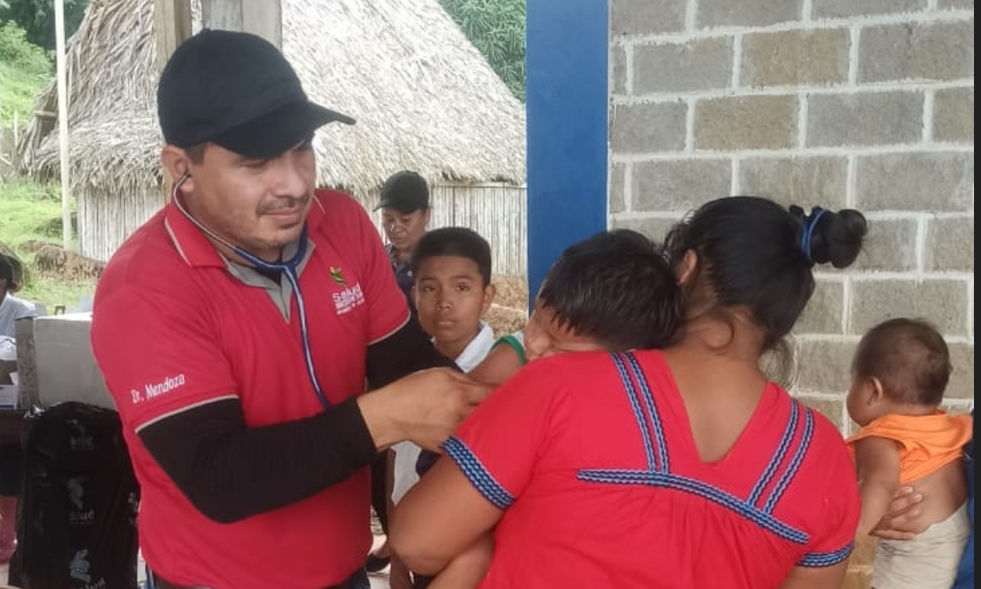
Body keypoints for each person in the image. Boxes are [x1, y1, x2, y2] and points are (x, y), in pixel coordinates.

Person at [89, 29, 489, 589]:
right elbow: (219, 477)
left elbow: (404, 361)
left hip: (343, 570)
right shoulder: (145, 288)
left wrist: (513, 396)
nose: (295, 184)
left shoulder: (343, 225)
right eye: (256, 164)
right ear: (182, 165)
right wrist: (387, 416)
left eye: (301, 148)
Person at [391, 197, 869, 589]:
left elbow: (417, 540)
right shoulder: (824, 460)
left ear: (685, 269)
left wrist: (486, 544)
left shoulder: (560, 387)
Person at [417, 228, 684, 589]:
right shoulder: (517, 385)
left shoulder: (638, 442)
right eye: (536, 319)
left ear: (624, 361)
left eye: (559, 344)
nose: (535, 344)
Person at [387, 227, 498, 589]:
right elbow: (397, 461)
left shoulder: (502, 381)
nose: (444, 302)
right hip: (415, 546)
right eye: (429, 288)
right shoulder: (408, 371)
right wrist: (397, 551)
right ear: (413, 294)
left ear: (487, 296)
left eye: (462, 287)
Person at [845, 318, 972, 589]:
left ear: (872, 390)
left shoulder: (881, 437)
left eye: (852, 382)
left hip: (915, 551)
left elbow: (878, 484)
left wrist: (843, 539)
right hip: (955, 542)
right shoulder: (945, 427)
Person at [0, 254, 36, 563]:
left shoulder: (21, 312)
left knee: (9, 456)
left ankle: (10, 534)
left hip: (13, 403)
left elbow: (22, 360)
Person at [376, 170, 431, 313]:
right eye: (388, 219)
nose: (395, 228)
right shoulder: (378, 258)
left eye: (405, 220)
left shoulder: (440, 261)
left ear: (426, 215)